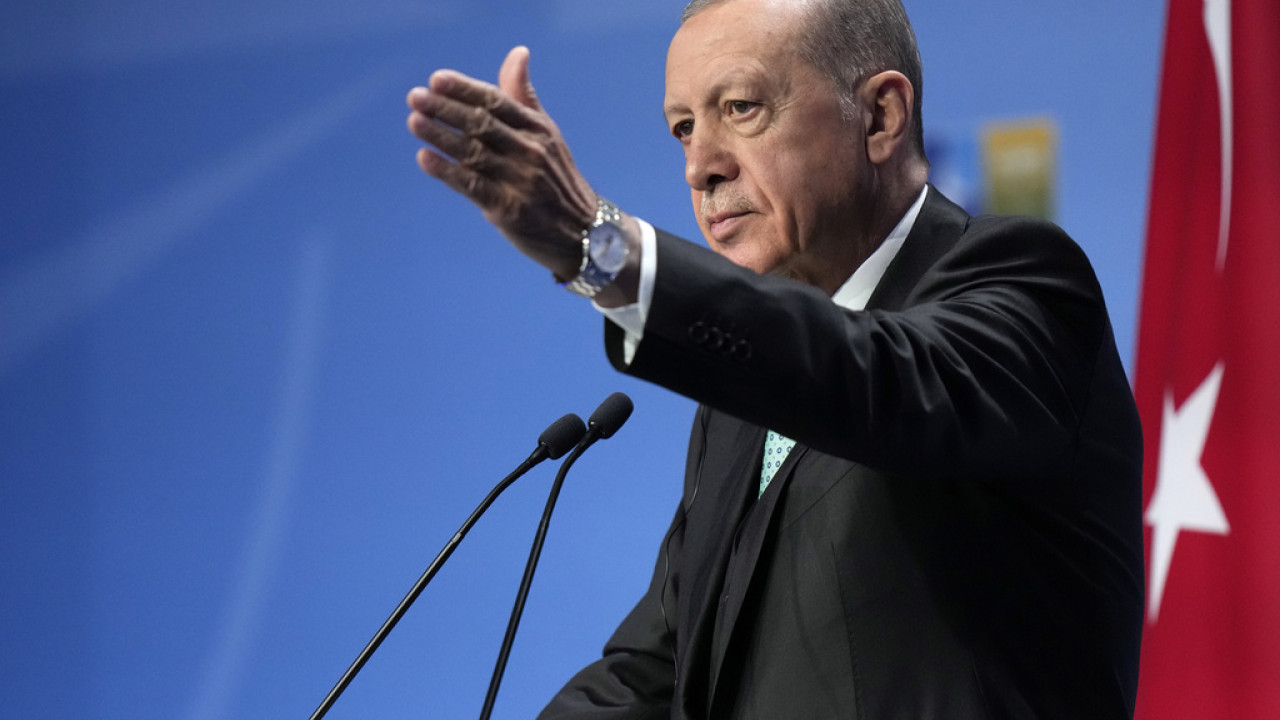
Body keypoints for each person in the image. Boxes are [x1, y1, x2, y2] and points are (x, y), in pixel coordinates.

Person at [405, 0, 1145, 717]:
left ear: (880, 117)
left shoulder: (1025, 283)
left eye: (740, 108)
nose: (700, 167)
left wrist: (602, 251)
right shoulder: (738, 406)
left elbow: (876, 380)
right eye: (684, 128)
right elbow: (657, 669)